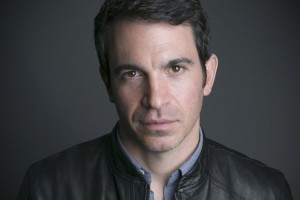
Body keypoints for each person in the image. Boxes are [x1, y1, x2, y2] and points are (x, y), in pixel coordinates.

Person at [17, 0, 293, 199]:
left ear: (208, 76)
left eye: (175, 69)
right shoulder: (46, 187)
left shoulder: (265, 192)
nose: (156, 100)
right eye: (133, 73)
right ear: (108, 85)